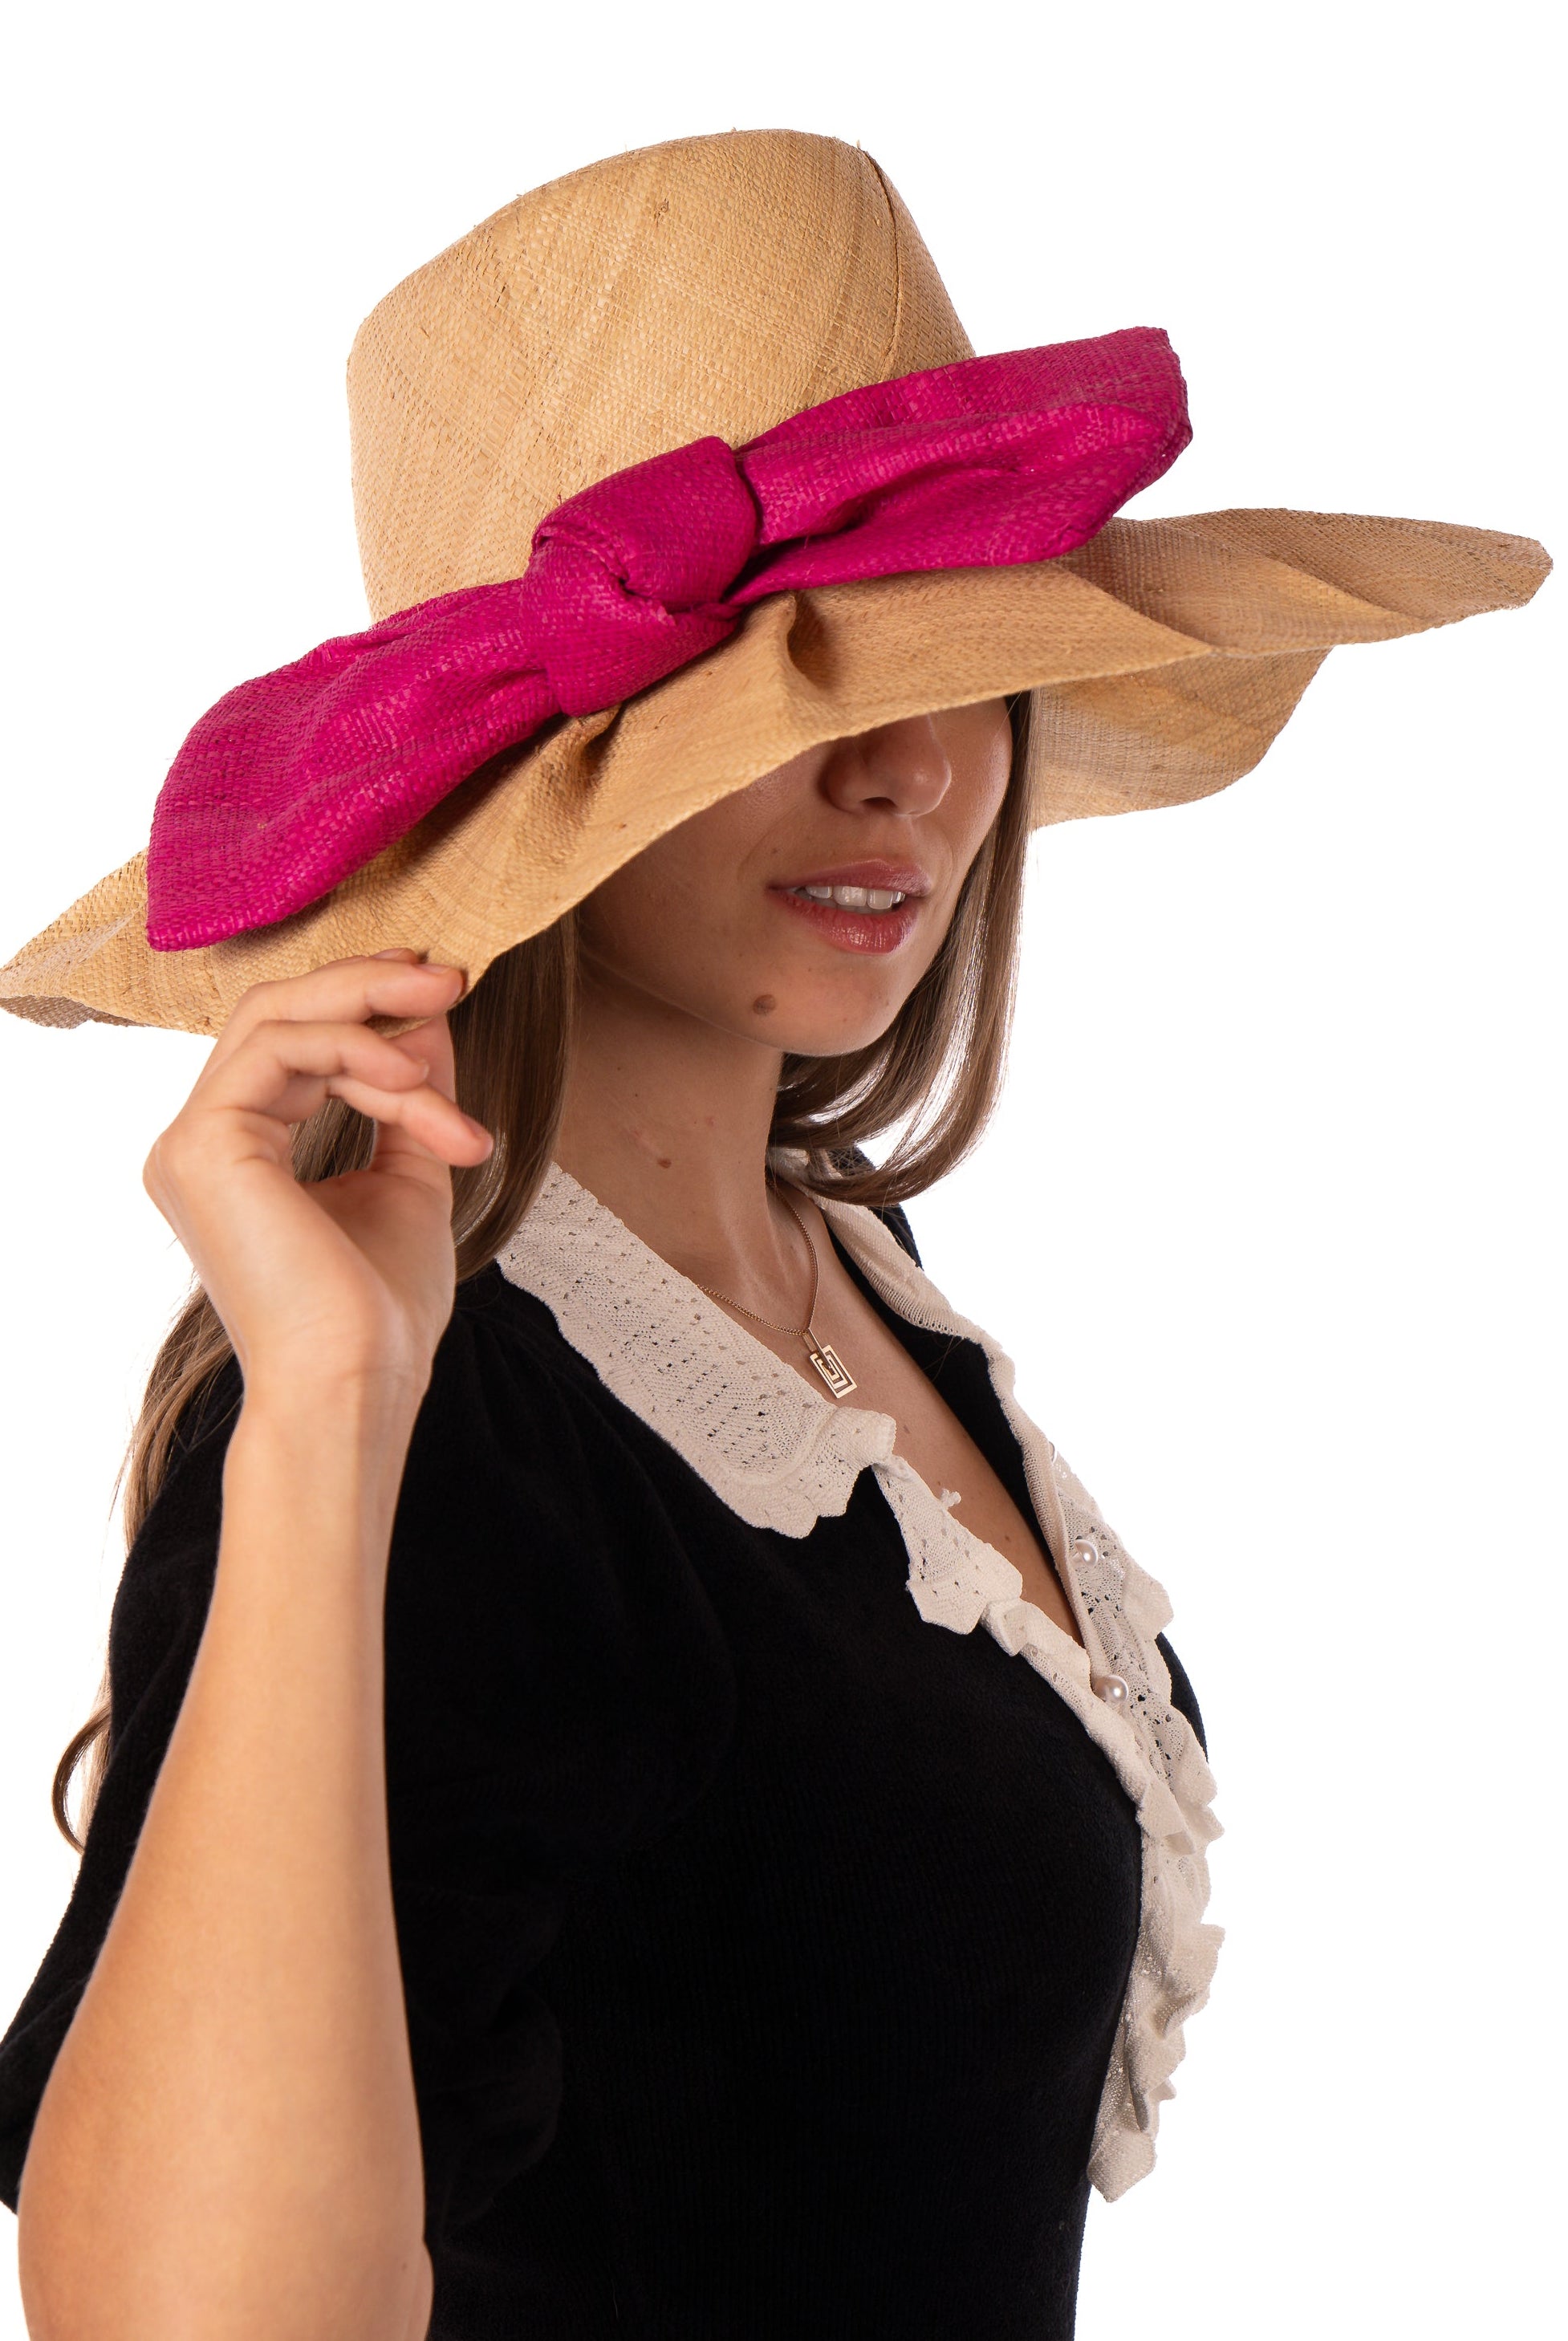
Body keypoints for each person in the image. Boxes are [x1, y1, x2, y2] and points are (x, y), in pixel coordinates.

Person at [0, 130, 1546, 2341]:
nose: (905, 767)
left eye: (963, 659)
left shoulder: (853, 1294)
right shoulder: (439, 1409)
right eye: (789, 694)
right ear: (536, 782)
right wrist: (329, 1407)